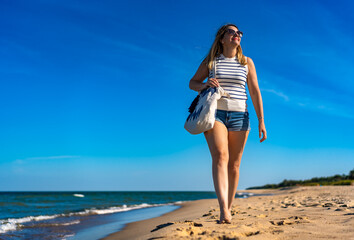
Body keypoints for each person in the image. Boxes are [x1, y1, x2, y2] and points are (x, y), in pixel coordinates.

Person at [189, 23, 267, 224]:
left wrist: (261, 121)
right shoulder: (211, 61)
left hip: (241, 114)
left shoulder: (247, 62)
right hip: (215, 113)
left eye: (239, 33)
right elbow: (192, 83)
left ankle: (228, 207)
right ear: (222, 38)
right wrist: (205, 84)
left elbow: (255, 91)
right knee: (220, 156)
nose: (237, 35)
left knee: (234, 165)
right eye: (231, 32)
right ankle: (224, 210)